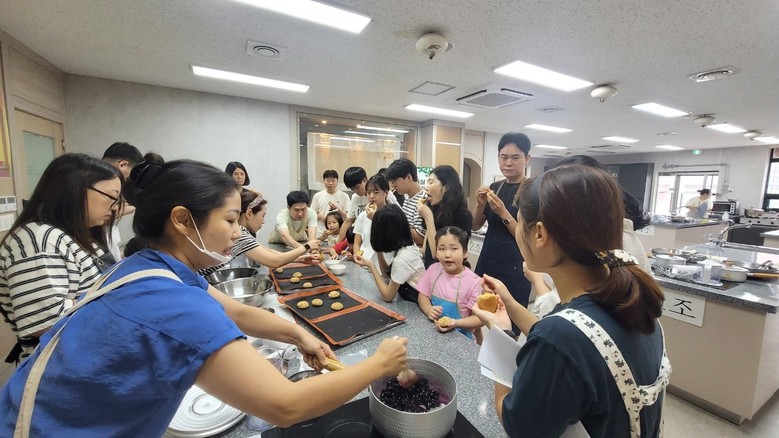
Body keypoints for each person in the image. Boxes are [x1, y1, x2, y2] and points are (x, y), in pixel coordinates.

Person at [0, 159, 409, 436]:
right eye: (230, 220)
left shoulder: (149, 266)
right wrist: (377, 365)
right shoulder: (174, 303)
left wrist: (299, 335)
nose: (237, 232)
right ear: (182, 220)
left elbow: (233, 311)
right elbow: (285, 406)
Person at [471, 165, 669, 437]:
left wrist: (498, 334)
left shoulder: (560, 337)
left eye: (520, 222)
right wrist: (511, 306)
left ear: (539, 234)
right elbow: (576, 344)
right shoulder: (634, 300)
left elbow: (518, 425)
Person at [0, 154, 121, 363]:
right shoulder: (39, 241)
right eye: (111, 197)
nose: (115, 207)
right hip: (61, 365)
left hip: (87, 357)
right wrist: (106, 300)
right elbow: (45, 322)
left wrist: (78, 301)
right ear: (76, 191)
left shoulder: (74, 234)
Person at [472, 132, 532, 309]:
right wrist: (480, 205)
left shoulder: (532, 191)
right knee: (480, 312)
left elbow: (526, 237)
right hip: (488, 261)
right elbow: (475, 225)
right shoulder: (495, 187)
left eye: (515, 157)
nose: (508, 163)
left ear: (527, 159)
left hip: (515, 267)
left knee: (510, 317)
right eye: (504, 157)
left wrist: (503, 212)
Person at [199, 190, 320, 276]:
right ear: (249, 214)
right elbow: (274, 261)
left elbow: (268, 251)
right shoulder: (239, 236)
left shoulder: (242, 232)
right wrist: (306, 246)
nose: (264, 221)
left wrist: (300, 259)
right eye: (263, 215)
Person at [416, 227, 483, 340]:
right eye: (441, 249)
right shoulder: (433, 270)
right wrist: (428, 309)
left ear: (465, 253)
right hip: (434, 331)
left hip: (461, 337)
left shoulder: (474, 282)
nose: (447, 254)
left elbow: (479, 319)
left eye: (454, 249)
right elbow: (423, 295)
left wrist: (455, 323)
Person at [354, 205, 424, 303]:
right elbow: (387, 275)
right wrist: (379, 251)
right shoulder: (405, 246)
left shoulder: (402, 259)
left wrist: (371, 266)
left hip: (417, 302)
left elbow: (387, 296)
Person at [418, 165, 473, 268]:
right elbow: (425, 250)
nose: (426, 187)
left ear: (446, 187)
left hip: (449, 274)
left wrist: (428, 217)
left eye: (431, 182)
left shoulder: (462, 215)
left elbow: (436, 254)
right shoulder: (435, 211)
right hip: (431, 271)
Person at [102, 141, 144, 261]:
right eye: (131, 176)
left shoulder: (107, 184)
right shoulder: (97, 185)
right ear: (123, 165)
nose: (128, 181)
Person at [337, 166, 399, 243]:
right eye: (352, 189)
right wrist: (337, 244)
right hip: (362, 239)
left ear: (365, 180)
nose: (355, 191)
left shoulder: (384, 194)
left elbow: (398, 217)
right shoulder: (355, 198)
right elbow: (348, 221)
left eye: (357, 187)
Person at [353, 174, 391, 266]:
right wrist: (357, 256)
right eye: (368, 192)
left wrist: (375, 219)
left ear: (386, 193)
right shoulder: (363, 215)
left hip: (382, 267)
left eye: (376, 192)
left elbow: (388, 239)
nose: (371, 196)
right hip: (363, 264)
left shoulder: (391, 215)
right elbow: (357, 242)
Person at [386, 158, 426, 245]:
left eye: (394, 181)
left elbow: (422, 238)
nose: (393, 185)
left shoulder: (424, 200)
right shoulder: (407, 198)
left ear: (408, 177)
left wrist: (394, 224)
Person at [310, 169, 349, 234]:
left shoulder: (344, 196)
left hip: (339, 233)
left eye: (333, 181)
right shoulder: (317, 196)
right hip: (321, 231)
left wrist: (337, 209)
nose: (330, 183)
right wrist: (320, 216)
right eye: (328, 181)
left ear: (337, 181)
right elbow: (311, 214)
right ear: (323, 181)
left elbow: (348, 216)